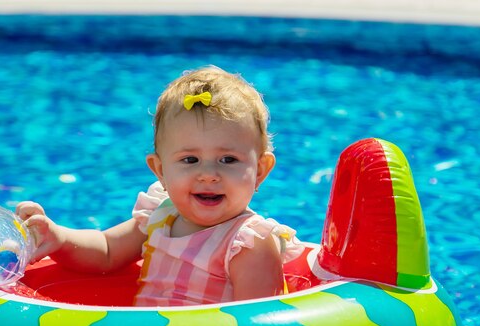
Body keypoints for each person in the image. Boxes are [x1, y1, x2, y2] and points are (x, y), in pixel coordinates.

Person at [16, 66, 303, 306]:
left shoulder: (248, 244)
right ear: (161, 171)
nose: (208, 174)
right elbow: (106, 252)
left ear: (260, 170)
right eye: (190, 159)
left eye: (228, 159)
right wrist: (59, 238)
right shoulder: (160, 214)